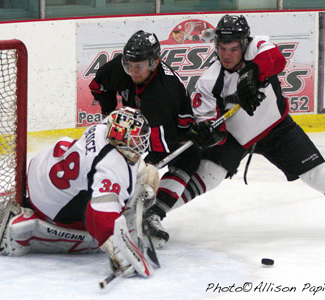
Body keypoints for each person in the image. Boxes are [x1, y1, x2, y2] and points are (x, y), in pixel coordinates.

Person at [154, 14, 325, 241]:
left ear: (243, 44)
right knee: (210, 174)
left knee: (317, 174)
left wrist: (252, 74)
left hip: (277, 129)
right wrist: (209, 134)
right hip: (235, 136)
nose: (226, 55)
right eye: (221, 48)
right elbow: (213, 128)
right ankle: (154, 211)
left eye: (232, 49)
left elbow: (276, 59)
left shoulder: (257, 47)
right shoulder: (209, 81)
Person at [88, 30, 224, 247]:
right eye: (129, 65)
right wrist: (110, 112)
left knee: (189, 158)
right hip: (138, 117)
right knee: (110, 150)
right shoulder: (121, 68)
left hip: (174, 129)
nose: (132, 71)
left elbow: (159, 153)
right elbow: (98, 86)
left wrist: (140, 180)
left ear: (154, 62)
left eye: (138, 66)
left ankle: (152, 213)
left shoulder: (163, 92)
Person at [0, 107, 160, 278]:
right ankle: (30, 231)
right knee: (94, 239)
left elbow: (117, 117)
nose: (140, 144)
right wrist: (117, 250)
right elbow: (98, 216)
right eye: (135, 140)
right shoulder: (111, 167)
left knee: (142, 174)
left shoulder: (101, 129)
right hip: (51, 204)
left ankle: (9, 203)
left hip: (41, 170)